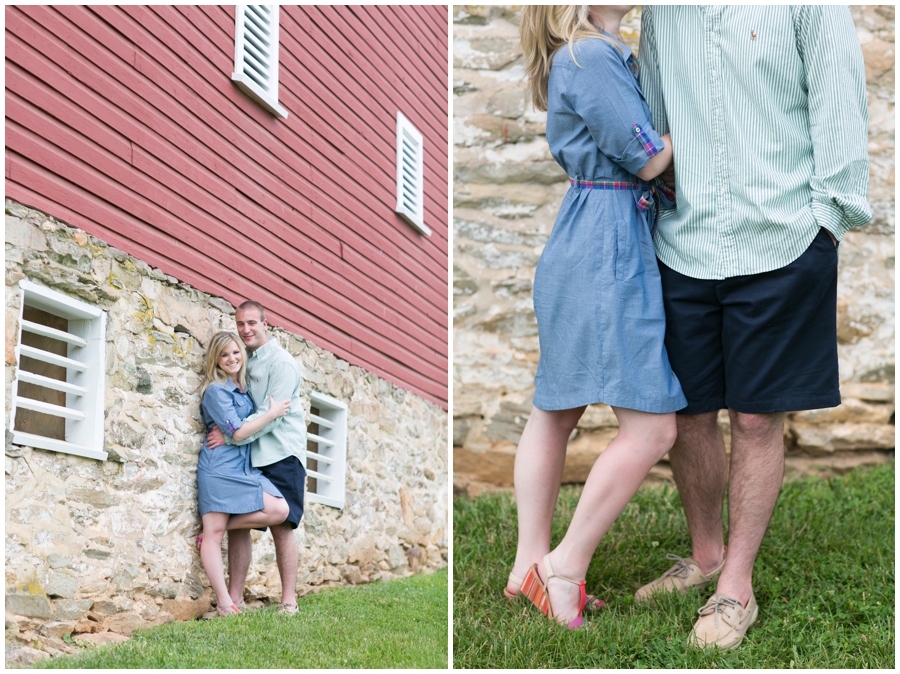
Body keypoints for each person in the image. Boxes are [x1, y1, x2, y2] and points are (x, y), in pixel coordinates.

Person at [635, 5, 871, 649]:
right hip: (682, 242)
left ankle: (735, 586)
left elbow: (840, 103)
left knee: (758, 419)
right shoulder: (660, 12)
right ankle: (706, 556)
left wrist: (826, 223)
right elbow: (651, 114)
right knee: (684, 412)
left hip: (784, 239)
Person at [508, 5, 686, 629]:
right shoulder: (594, 56)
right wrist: (705, 123)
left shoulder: (579, 54)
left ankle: (528, 563)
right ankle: (565, 566)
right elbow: (647, 159)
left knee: (554, 411)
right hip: (608, 243)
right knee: (653, 429)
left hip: (582, 234)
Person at [206, 301, 308, 615]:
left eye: (252, 323)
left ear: (266, 324)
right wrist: (233, 434)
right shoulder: (246, 361)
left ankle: (288, 600)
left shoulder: (281, 363)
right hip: (251, 453)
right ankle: (235, 599)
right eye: (240, 324)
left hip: (281, 452)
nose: (246, 329)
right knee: (240, 527)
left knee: (283, 524)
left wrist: (235, 436)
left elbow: (273, 415)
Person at [197, 331, 291, 616]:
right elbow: (238, 430)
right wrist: (271, 413)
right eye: (224, 355)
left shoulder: (244, 390)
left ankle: (215, 529)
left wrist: (234, 434)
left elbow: (237, 432)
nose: (231, 359)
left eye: (235, 352)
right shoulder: (216, 390)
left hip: (243, 468)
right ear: (216, 359)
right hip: (219, 469)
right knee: (213, 534)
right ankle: (226, 604)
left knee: (280, 509)